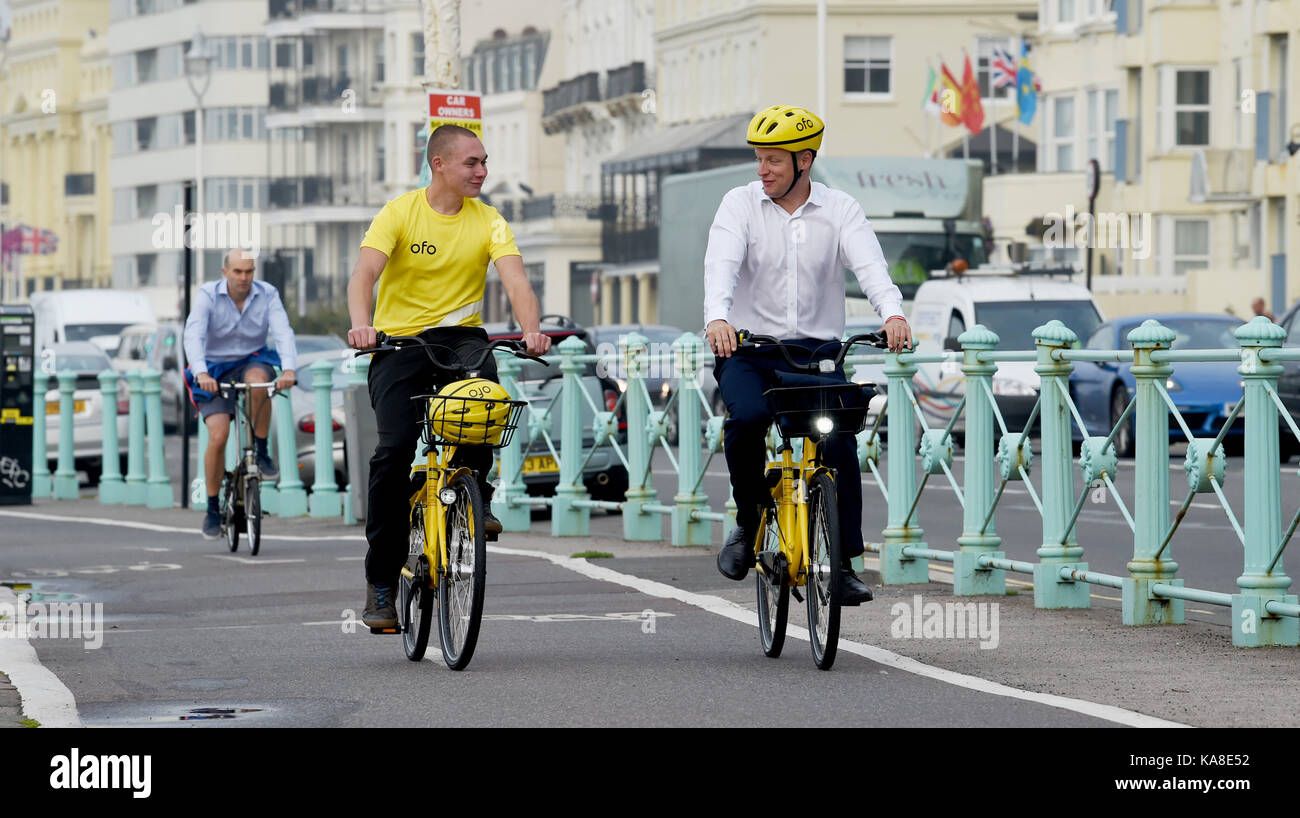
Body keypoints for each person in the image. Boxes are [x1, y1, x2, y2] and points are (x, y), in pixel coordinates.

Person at [704, 104, 913, 604]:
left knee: (840, 443)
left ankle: (840, 565)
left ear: (806, 160)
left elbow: (871, 267)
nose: (762, 170)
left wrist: (893, 313)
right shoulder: (739, 205)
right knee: (748, 418)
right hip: (749, 351)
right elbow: (722, 265)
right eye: (759, 159)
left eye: (773, 160)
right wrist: (717, 317)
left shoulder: (841, 210)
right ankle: (749, 520)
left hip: (817, 355)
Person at [347, 124, 550, 631]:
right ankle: (380, 584)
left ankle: (472, 491)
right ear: (439, 164)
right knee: (393, 453)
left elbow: (517, 279)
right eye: (472, 163)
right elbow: (364, 275)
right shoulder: (400, 213)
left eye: (485, 163)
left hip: (462, 338)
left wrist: (532, 330)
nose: (482, 172)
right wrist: (362, 326)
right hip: (399, 344)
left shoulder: (490, 220)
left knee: (486, 406)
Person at [183, 248, 298, 539]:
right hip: (213, 369)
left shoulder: (267, 293)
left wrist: (288, 370)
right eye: (237, 271)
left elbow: (283, 331)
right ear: (225, 273)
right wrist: (202, 373)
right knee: (218, 435)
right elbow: (193, 334)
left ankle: (260, 451)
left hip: (250, 359)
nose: (244, 277)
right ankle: (212, 508)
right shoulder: (208, 295)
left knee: (260, 380)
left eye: (249, 271)